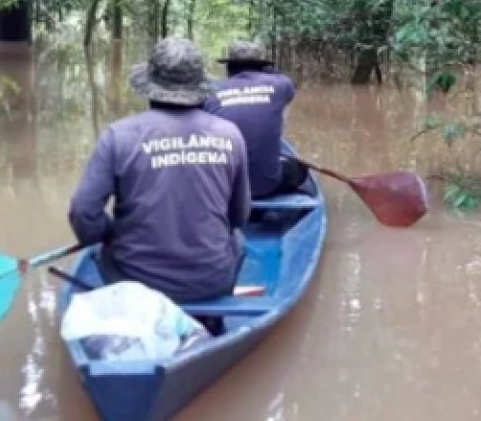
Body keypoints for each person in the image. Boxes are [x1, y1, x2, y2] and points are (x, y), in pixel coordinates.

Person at [68, 37, 250, 304]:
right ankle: (214, 320)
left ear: (150, 87)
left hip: (134, 283)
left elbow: (83, 212)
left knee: (96, 251)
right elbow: (239, 216)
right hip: (210, 281)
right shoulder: (230, 135)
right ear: (199, 87)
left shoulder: (119, 136)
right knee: (240, 242)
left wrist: (107, 233)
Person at [204, 41, 308, 198]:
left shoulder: (212, 92)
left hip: (225, 188)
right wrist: (269, 71)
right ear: (262, 67)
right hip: (266, 186)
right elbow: (290, 85)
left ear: (229, 68)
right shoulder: (279, 84)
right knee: (300, 169)